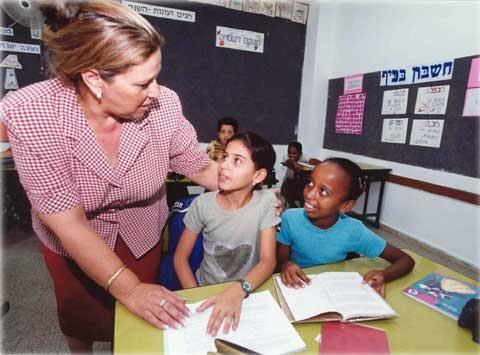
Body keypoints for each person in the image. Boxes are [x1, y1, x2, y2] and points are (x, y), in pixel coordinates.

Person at [0, 0, 220, 352]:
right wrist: (129, 288)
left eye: (157, 77)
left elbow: (199, 166)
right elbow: (68, 222)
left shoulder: (163, 104)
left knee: (133, 319)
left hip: (139, 232)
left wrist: (250, 182)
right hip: (72, 239)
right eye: (143, 83)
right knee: (79, 316)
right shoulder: (31, 113)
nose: (155, 92)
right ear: (93, 78)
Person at [174, 132, 280, 336]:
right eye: (225, 157)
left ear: (258, 176)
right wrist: (197, 298)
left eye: (237, 161)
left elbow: (268, 262)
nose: (223, 165)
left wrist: (238, 291)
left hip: (249, 289)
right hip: (206, 290)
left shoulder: (266, 202)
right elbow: (180, 258)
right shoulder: (203, 204)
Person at [277, 158, 415, 297]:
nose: (309, 194)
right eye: (310, 183)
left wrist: (384, 275)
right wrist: (286, 264)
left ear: (346, 206)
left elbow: (405, 260)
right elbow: (281, 259)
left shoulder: (354, 230)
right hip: (297, 289)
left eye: (323, 192)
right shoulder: (290, 218)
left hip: (333, 291)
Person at [280, 141, 320, 208]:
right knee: (285, 190)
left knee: (303, 188)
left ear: (300, 153)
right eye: (289, 153)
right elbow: (289, 161)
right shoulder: (286, 157)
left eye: (294, 153)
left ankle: (302, 206)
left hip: (300, 180)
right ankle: (293, 206)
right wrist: (294, 163)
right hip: (289, 180)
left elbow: (311, 160)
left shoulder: (304, 157)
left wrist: (322, 163)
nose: (291, 155)